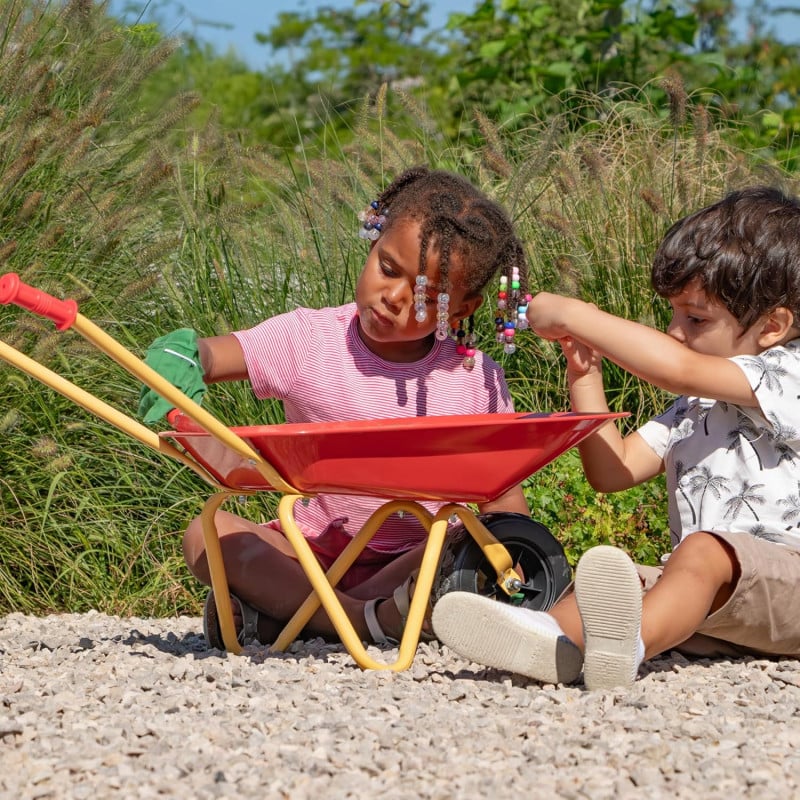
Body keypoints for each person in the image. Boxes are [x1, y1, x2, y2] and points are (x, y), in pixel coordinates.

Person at [138, 166, 532, 649]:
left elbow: (503, 504)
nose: (392, 297)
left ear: (461, 311)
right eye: (387, 268)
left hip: (414, 559)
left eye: (425, 297)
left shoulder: (476, 380)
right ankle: (368, 621)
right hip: (311, 556)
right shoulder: (309, 340)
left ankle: (297, 618)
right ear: (372, 245)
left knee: (464, 544)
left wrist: (523, 554)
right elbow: (213, 355)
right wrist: (183, 358)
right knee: (208, 531)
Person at [433, 185, 800, 690]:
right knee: (613, 587)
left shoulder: (786, 375)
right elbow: (614, 471)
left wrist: (577, 315)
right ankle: (550, 641)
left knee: (702, 554)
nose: (674, 331)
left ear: (773, 326)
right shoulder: (696, 408)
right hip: (716, 607)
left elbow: (678, 369)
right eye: (672, 314)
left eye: (695, 318)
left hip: (789, 582)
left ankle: (625, 646)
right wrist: (585, 376)